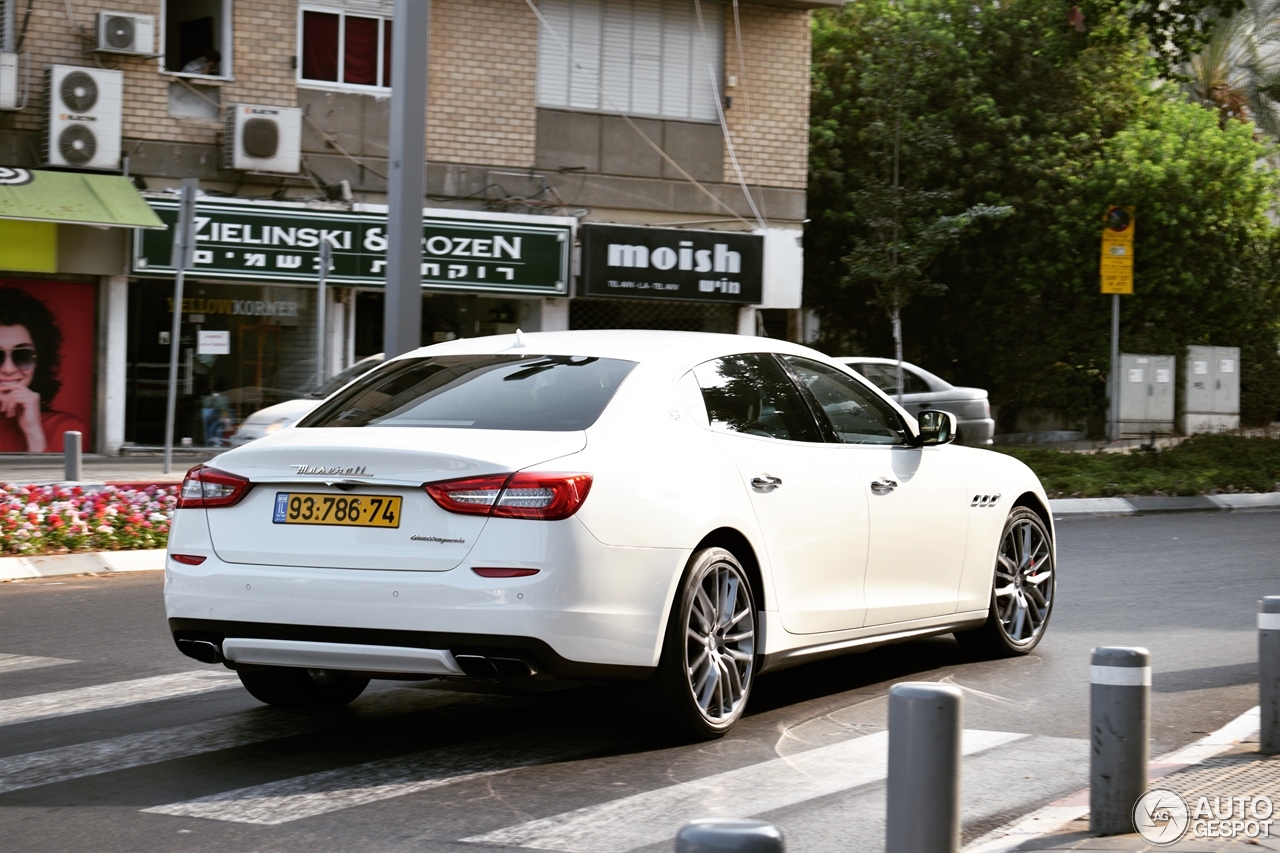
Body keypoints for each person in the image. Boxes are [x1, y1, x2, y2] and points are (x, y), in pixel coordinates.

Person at [0, 288, 88, 453]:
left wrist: (33, 432)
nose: (8, 369)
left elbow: (54, 479)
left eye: (22, 356)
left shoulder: (68, 429)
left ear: (40, 360)